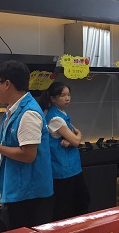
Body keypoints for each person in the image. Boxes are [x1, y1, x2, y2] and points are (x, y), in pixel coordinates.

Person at [0, 60, 53, 230]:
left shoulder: (28, 113)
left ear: (7, 84)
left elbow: (28, 155)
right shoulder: (14, 109)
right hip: (16, 189)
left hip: (29, 195)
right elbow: (16, 143)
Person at [38, 81, 90, 221]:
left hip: (71, 167)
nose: (67, 98)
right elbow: (76, 139)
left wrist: (72, 139)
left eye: (68, 95)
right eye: (63, 95)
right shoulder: (55, 118)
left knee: (81, 201)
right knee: (65, 207)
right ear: (53, 98)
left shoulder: (62, 114)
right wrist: (76, 137)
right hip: (62, 170)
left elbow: (73, 137)